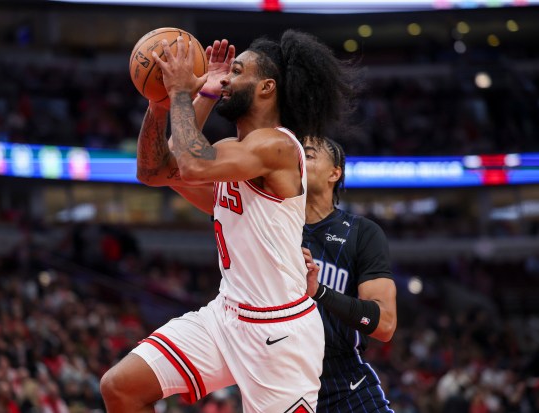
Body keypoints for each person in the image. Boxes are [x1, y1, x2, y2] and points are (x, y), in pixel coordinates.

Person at [100, 31, 355, 413]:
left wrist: (184, 93)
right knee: (121, 388)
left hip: (278, 333)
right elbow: (155, 170)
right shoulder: (229, 152)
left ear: (266, 87)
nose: (224, 80)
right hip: (226, 316)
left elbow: (192, 163)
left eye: (236, 72)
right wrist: (161, 104)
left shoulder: (279, 146)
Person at [301, 136, 397, 412]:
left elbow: (385, 325)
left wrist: (320, 292)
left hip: (343, 379)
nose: (296, 159)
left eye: (307, 154)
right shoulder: (270, 219)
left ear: (335, 172)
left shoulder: (361, 232)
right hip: (280, 373)